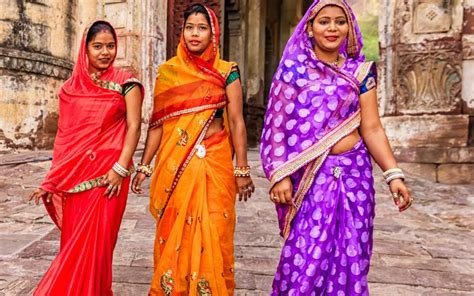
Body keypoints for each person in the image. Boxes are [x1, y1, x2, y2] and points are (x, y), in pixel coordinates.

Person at [260, 0, 413, 294]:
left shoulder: (360, 72)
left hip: (356, 176)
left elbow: (372, 128)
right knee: (304, 256)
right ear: (309, 27)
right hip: (310, 177)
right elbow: (276, 124)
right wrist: (279, 175)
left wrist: (393, 174)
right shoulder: (292, 71)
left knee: (352, 251)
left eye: (340, 22)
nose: (332, 28)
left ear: (349, 27)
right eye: (324, 21)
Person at [131, 4, 254, 295]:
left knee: (215, 228)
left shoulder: (228, 72)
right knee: (175, 228)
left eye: (202, 28)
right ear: (182, 31)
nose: (195, 34)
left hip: (216, 162)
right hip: (177, 164)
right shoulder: (168, 72)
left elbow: (236, 123)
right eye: (189, 27)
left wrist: (242, 170)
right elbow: (157, 124)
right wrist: (145, 166)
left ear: (213, 33)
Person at [27, 20, 144, 295]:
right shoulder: (70, 89)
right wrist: (52, 181)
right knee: (73, 244)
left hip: (110, 179)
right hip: (77, 180)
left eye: (111, 46)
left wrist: (120, 167)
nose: (105, 52)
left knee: (99, 247)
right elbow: (66, 140)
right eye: (98, 46)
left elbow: (134, 126)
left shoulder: (127, 83)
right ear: (85, 49)